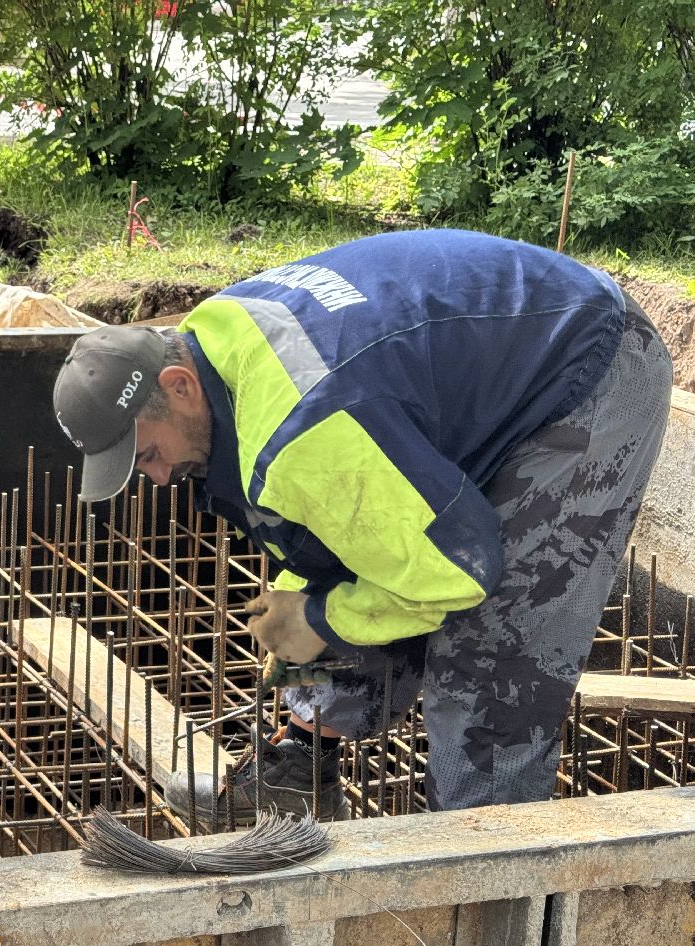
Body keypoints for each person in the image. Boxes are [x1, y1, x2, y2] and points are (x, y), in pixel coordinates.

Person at [52, 229, 673, 819]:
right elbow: (340, 518)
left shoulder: (306, 427)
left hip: (586, 365)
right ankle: (300, 766)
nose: (157, 478)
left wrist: (321, 621)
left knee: (493, 641)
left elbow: (456, 572)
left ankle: (484, 860)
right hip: (469, 370)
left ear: (179, 385)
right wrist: (305, 599)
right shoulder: (211, 338)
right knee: (345, 562)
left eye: (149, 455)